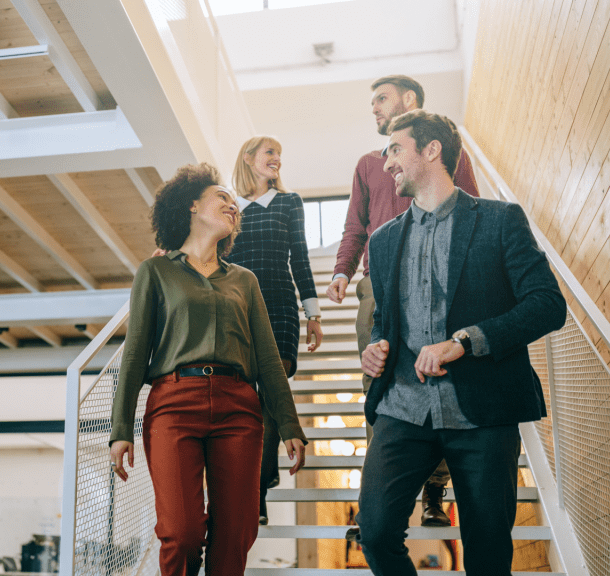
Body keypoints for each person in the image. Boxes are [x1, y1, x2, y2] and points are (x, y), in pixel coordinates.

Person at [354, 109, 565, 575]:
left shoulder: (500, 220)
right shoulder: (383, 241)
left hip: (484, 410)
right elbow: (385, 322)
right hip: (402, 407)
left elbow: (548, 305)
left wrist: (465, 342)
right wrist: (376, 347)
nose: (386, 163)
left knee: (488, 553)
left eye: (395, 150)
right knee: (375, 533)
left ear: (432, 151)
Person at [109, 163, 308, 576]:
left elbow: (269, 359)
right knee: (181, 533)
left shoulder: (245, 281)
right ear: (192, 205)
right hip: (173, 404)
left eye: (236, 203)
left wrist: (289, 425)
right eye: (223, 198)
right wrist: (119, 429)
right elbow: (134, 354)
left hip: (239, 408)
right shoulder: (156, 272)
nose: (233, 205)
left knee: (235, 536)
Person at [327, 74, 480, 526]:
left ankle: (434, 493)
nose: (373, 108)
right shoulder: (367, 165)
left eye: (381, 99)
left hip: (442, 283)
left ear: (408, 100)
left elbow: (470, 208)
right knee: (379, 387)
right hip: (379, 287)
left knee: (440, 383)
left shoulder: (448, 154)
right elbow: (355, 224)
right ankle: (375, 497)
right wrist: (342, 269)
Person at [227, 136, 322, 525]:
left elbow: (299, 257)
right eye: (270, 153)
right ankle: (248, 486)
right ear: (248, 158)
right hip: (237, 310)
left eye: (279, 154)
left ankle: (257, 492)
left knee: (268, 402)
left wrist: (313, 313)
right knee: (246, 402)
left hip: (281, 308)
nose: (277, 160)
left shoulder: (289, 202)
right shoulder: (229, 208)